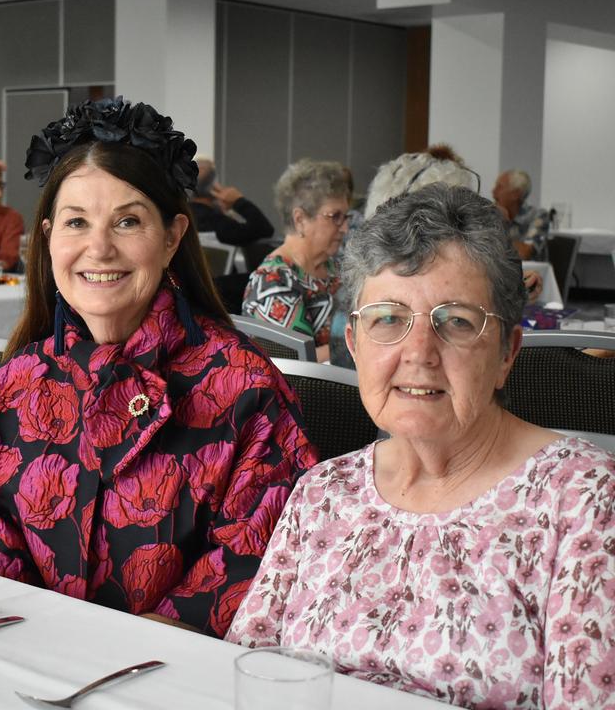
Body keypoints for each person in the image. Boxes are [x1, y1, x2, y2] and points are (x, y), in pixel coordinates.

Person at [0, 98, 317, 637]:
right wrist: (29, 640)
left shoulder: (245, 387)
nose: (99, 248)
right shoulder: (15, 381)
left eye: (128, 221)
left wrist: (124, 654)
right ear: (47, 238)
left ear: (172, 238)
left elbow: (266, 554)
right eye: (76, 222)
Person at [227, 184, 615, 709]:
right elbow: (246, 674)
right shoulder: (322, 493)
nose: (418, 353)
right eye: (388, 318)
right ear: (355, 344)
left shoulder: (585, 500)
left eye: (456, 321)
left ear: (507, 353)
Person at [242, 159, 350, 363]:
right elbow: (295, 364)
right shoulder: (272, 282)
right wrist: (360, 344)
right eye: (335, 216)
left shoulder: (335, 268)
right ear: (300, 219)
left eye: (345, 217)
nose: (344, 228)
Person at [189, 157, 274, 245]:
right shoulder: (221, 225)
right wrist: (239, 202)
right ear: (214, 185)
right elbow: (265, 229)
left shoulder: (179, 218)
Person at [493, 169, 549, 261]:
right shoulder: (492, 215)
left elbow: (524, 253)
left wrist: (503, 224)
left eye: (499, 187)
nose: (493, 191)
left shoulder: (538, 216)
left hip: (531, 273)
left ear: (516, 194)